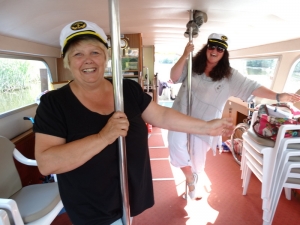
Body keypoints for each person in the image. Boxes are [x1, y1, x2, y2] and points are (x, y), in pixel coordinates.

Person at [33, 21, 234, 225]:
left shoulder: (127, 90)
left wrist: (206, 127)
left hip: (129, 197)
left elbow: (162, 116)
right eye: (78, 54)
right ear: (67, 61)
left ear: (105, 57)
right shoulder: (54, 104)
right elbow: (47, 162)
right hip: (92, 209)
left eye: (95, 52)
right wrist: (103, 137)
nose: (88, 61)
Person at [168, 33, 300, 200]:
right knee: (175, 144)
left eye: (220, 49)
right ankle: (189, 176)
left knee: (197, 158)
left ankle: (195, 180)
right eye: (212, 46)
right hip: (181, 116)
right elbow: (173, 77)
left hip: (206, 123)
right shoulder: (192, 65)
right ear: (206, 48)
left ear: (225, 53)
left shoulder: (229, 75)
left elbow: (253, 87)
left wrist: (278, 96)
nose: (215, 51)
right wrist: (185, 54)